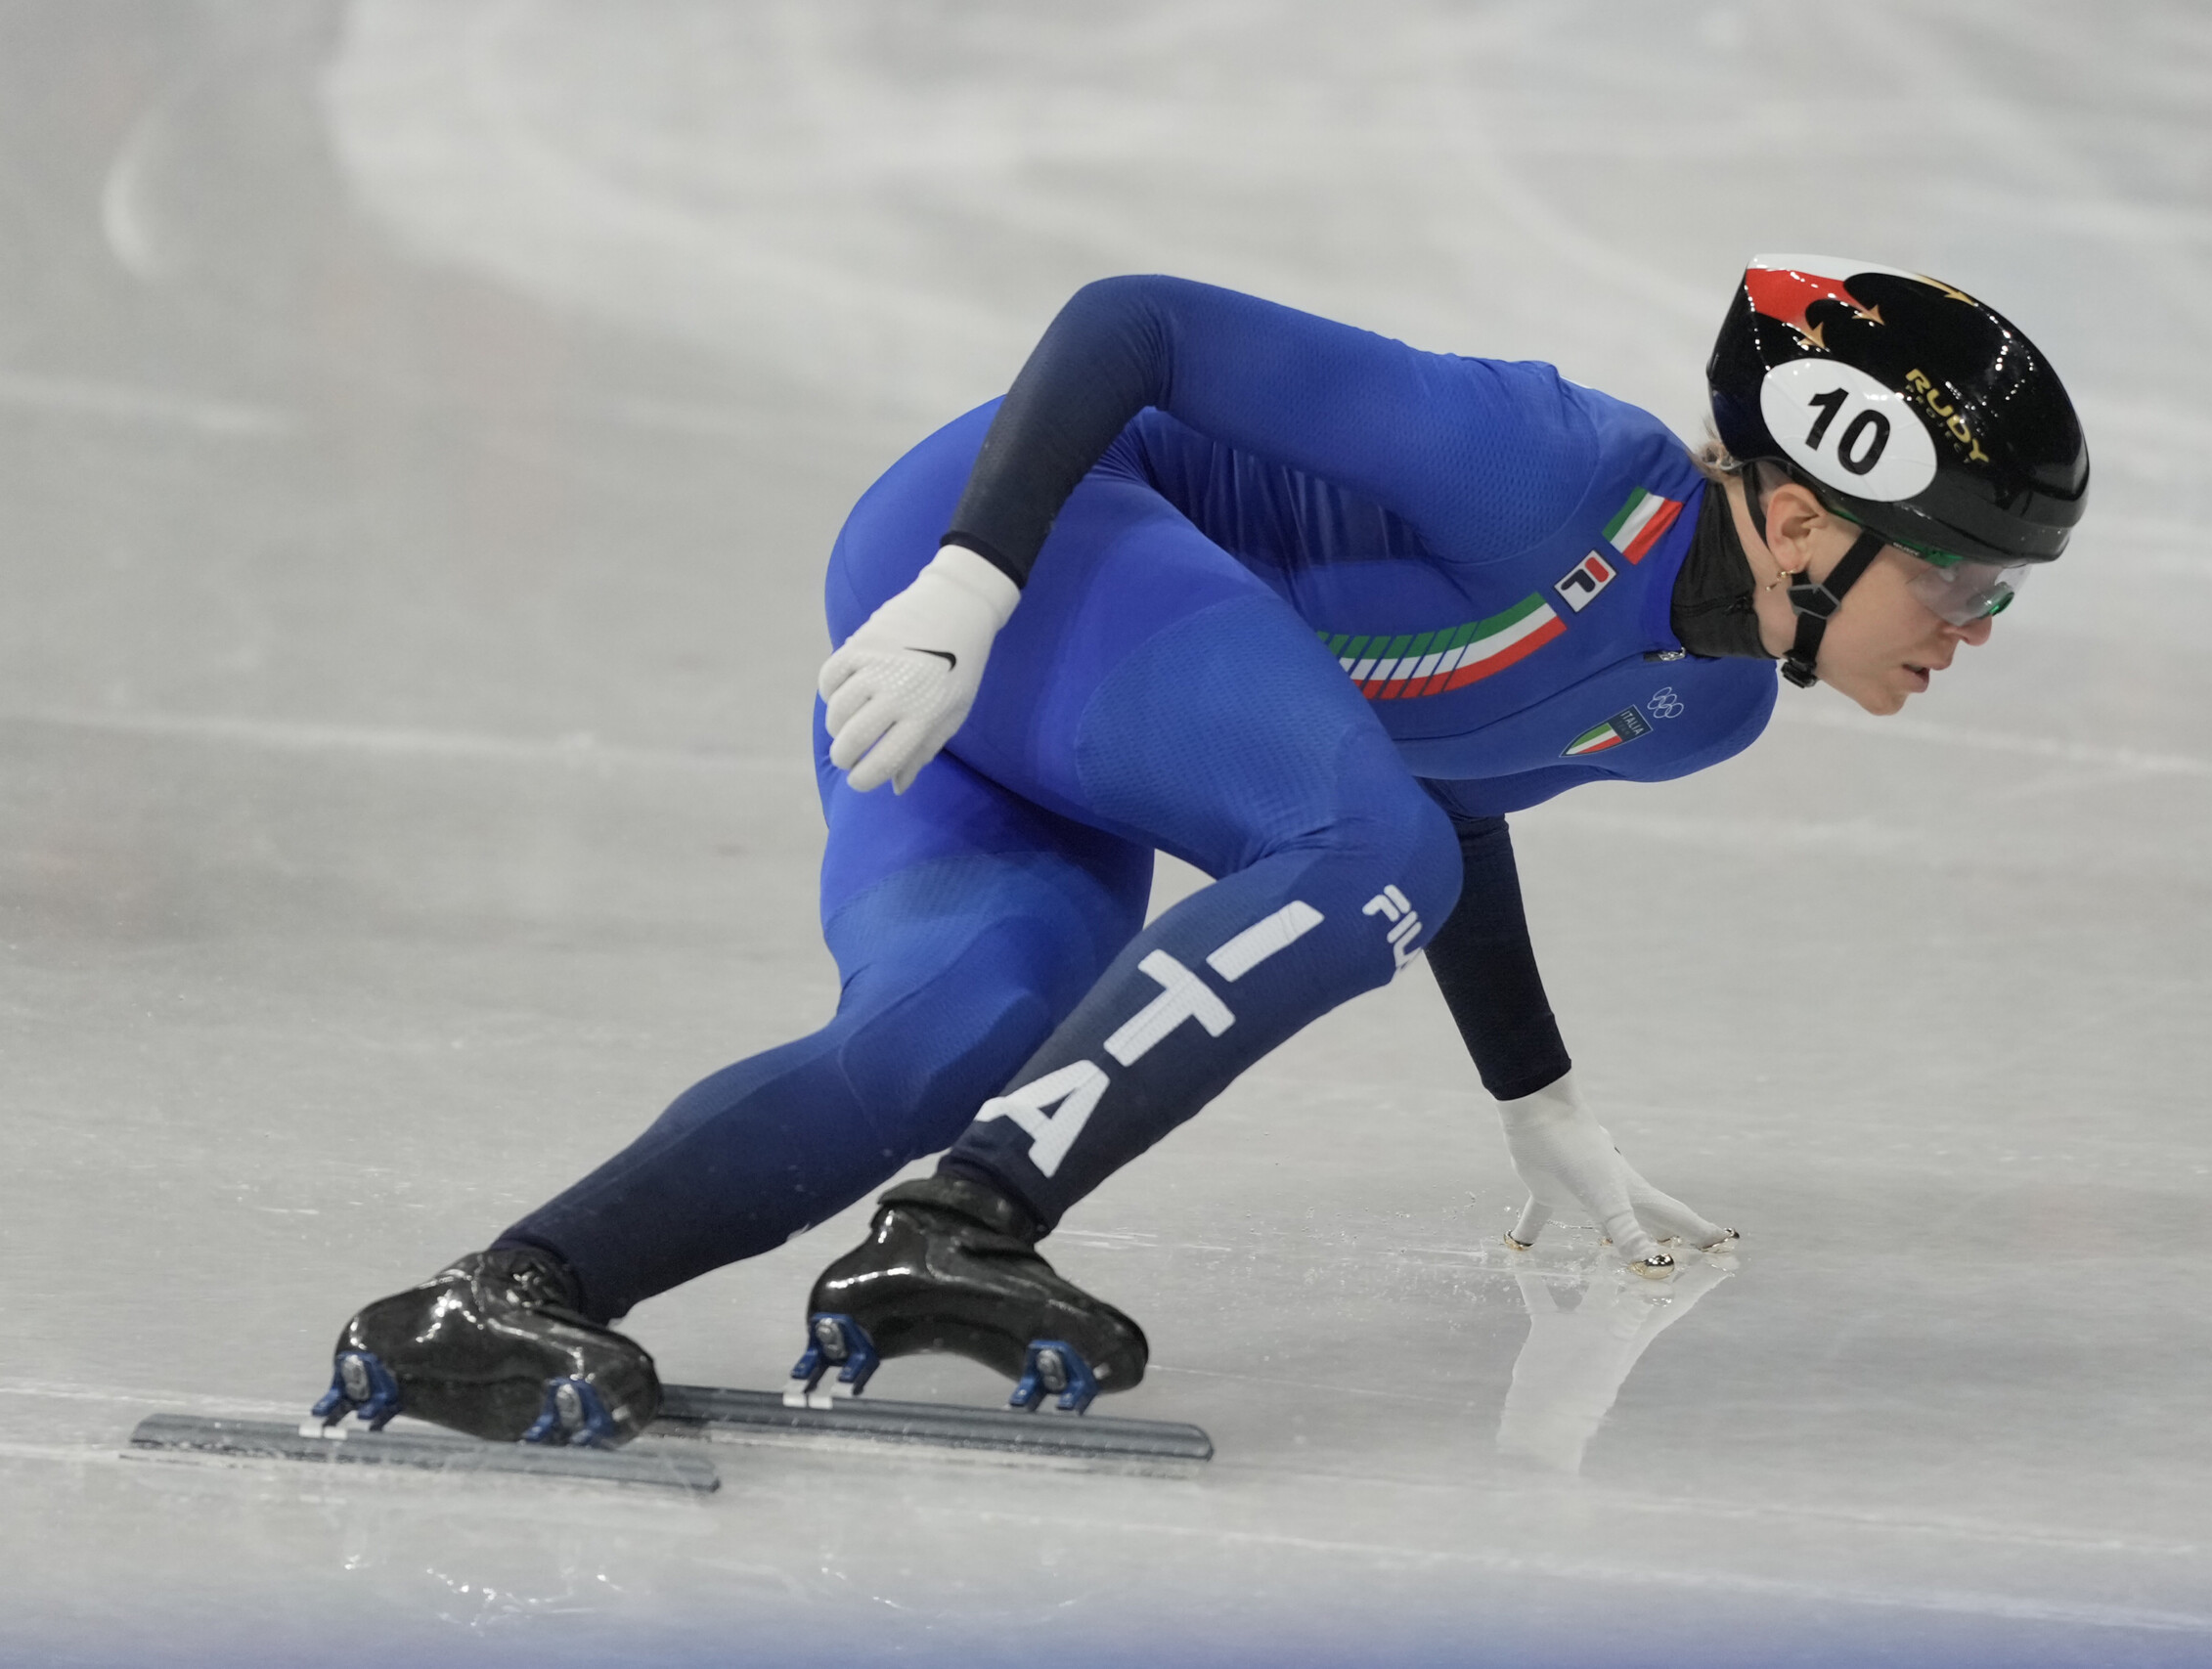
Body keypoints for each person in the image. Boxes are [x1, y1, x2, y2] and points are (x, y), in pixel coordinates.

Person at [311, 257, 2089, 1448]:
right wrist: (971, 585)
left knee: (956, 1027)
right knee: (1360, 834)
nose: (1978, 626)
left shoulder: (1705, 709)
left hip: (1104, 707)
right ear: (1799, 515)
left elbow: (1448, 809)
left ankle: (494, 1296)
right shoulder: (1544, 466)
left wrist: (1541, 1110)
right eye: (1964, 576)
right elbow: (1134, 322)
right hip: (1010, 555)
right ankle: (964, 1226)